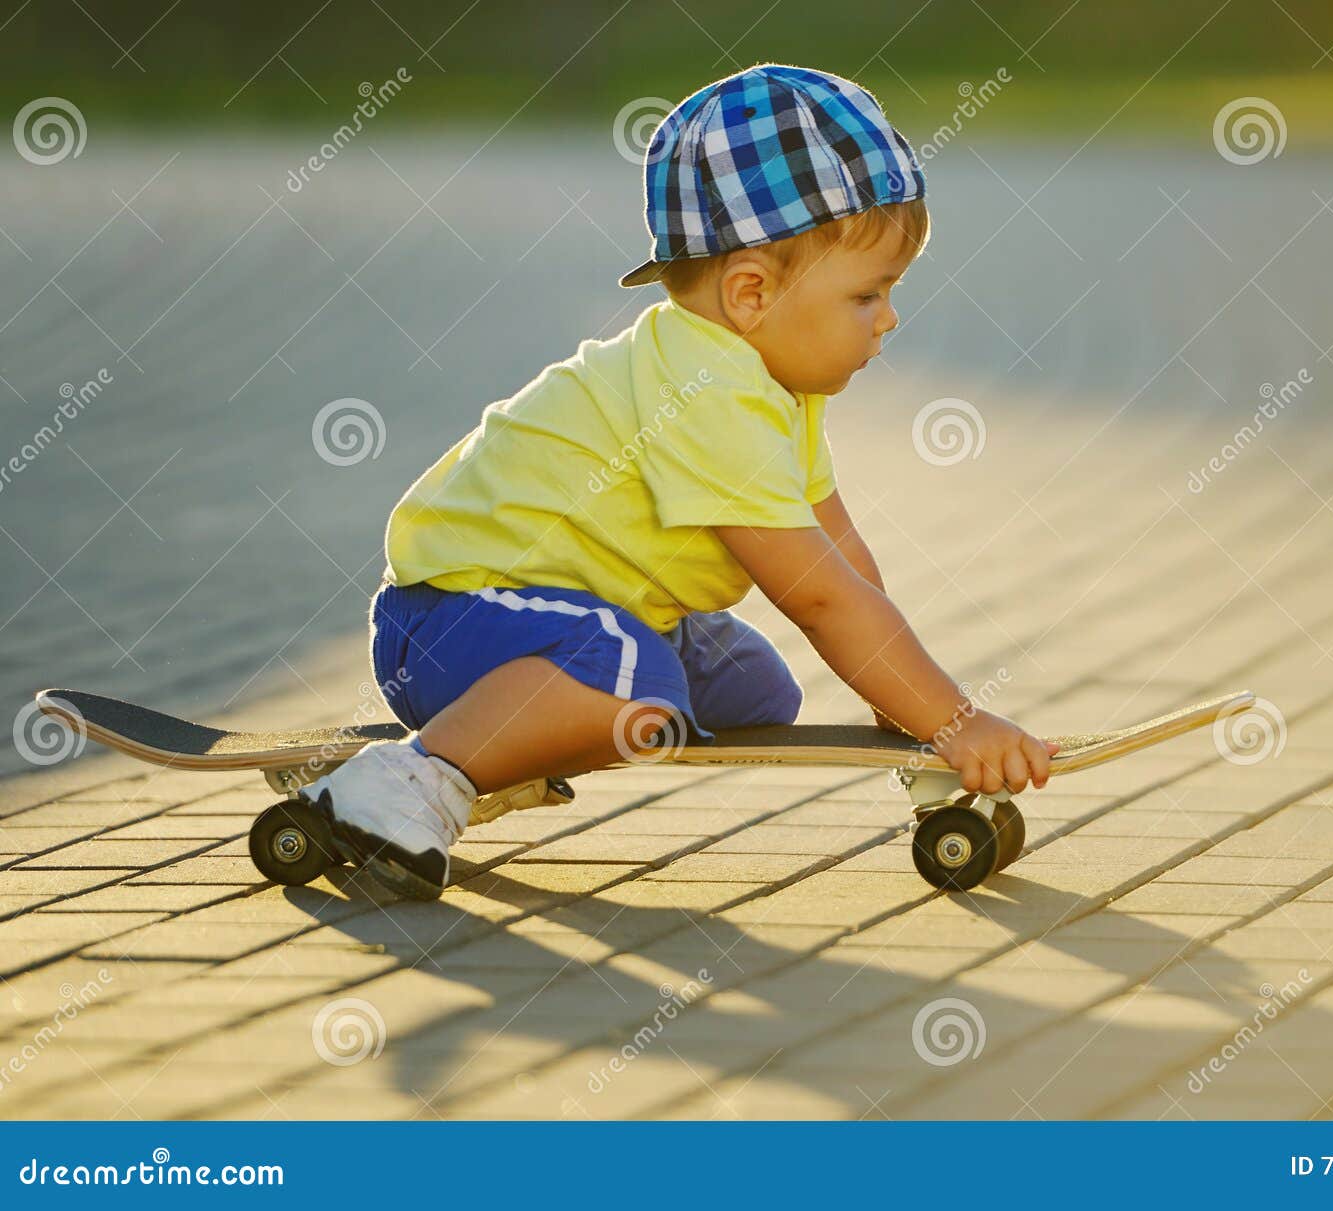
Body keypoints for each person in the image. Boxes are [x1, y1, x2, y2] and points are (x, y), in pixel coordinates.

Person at [298, 63, 1059, 899]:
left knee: (754, 689)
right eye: (867, 294)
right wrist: (954, 719)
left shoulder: (776, 386)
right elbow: (819, 599)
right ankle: (411, 779)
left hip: (557, 612)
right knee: (642, 689)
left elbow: (841, 558)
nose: (889, 318)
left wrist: (906, 699)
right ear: (750, 293)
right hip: (452, 620)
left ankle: (500, 749)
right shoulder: (707, 391)